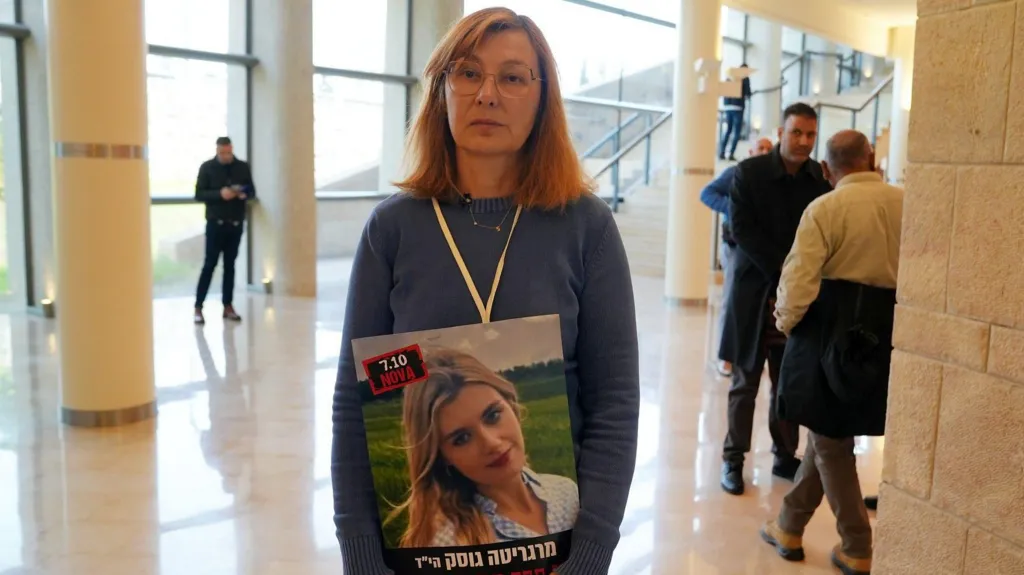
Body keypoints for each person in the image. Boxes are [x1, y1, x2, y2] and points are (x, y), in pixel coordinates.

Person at [331, 8, 640, 575]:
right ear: (442, 91)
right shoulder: (393, 229)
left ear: (542, 99)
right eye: (468, 73)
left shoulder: (585, 227)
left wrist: (591, 553)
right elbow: (355, 405)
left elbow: (614, 402)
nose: (488, 94)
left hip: (560, 558)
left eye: (513, 77)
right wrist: (361, 555)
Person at [761, 130, 903, 575]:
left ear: (826, 169)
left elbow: (799, 280)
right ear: (871, 158)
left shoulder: (825, 208)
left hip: (829, 332)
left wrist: (786, 323)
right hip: (887, 333)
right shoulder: (906, 203)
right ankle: (788, 525)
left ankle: (857, 544)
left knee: (829, 438)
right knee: (828, 436)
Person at [719, 103, 831, 496]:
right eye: (796, 132)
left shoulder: (818, 179)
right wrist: (784, 270)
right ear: (781, 132)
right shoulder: (749, 172)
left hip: (796, 296)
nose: (803, 141)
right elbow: (741, 229)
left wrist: (797, 278)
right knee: (744, 382)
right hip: (753, 293)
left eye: (810, 134)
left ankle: (785, 455)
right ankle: (733, 460)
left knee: (788, 382)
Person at [388, 348, 579, 548]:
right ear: (443, 457)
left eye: (493, 416)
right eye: (462, 438)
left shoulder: (566, 492)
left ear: (511, 405)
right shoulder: (452, 544)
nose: (491, 443)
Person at [701, 137, 774, 378]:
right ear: (751, 151)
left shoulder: (773, 179)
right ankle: (726, 358)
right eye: (760, 148)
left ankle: (747, 355)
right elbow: (707, 193)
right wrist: (733, 208)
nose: (764, 151)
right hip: (735, 247)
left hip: (760, 250)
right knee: (731, 299)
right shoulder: (735, 173)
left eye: (768, 148)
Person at [193, 136, 256, 325]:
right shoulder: (207, 167)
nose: (226, 156)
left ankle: (228, 305)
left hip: (235, 224)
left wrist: (242, 193)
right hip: (215, 223)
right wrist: (220, 194)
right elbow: (199, 194)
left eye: (228, 152)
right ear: (217, 151)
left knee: (230, 266)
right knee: (209, 265)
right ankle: (198, 306)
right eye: (222, 153)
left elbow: (252, 191)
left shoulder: (242, 167)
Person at [718, 63, 752, 162]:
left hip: (728, 107)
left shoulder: (730, 76)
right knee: (736, 132)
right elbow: (748, 93)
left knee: (728, 130)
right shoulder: (745, 78)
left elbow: (724, 90)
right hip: (738, 107)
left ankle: (722, 152)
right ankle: (731, 154)